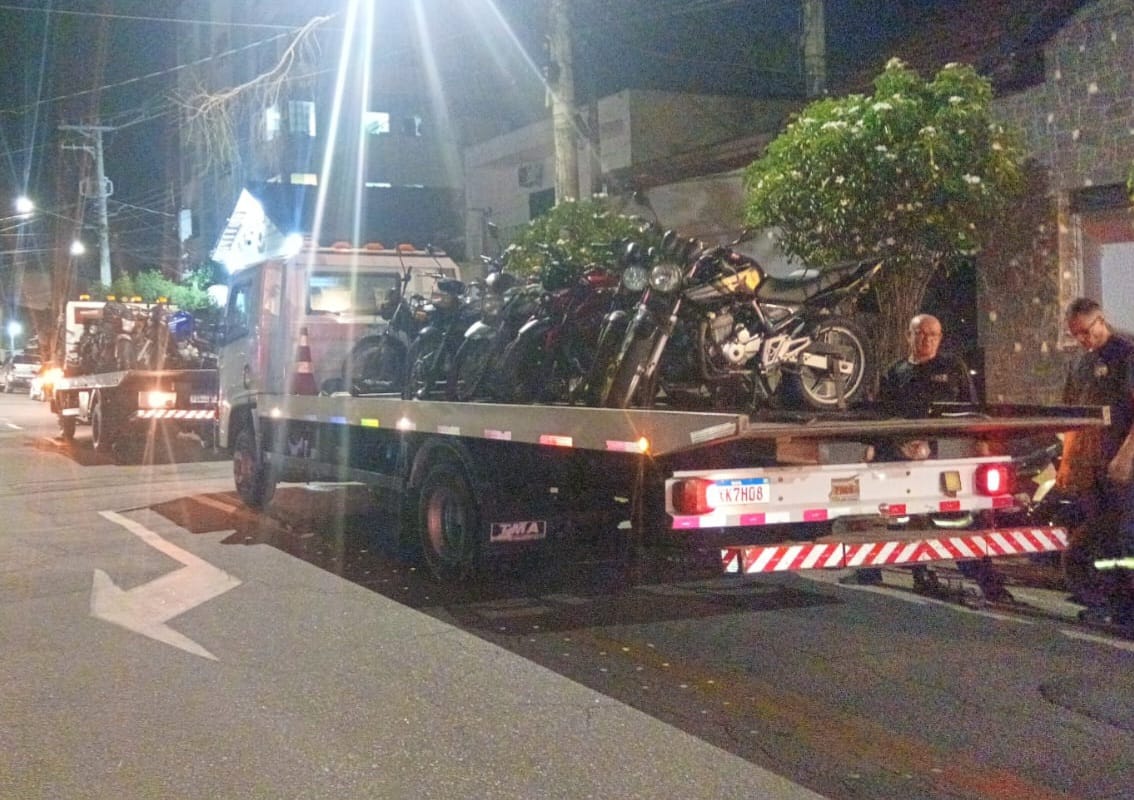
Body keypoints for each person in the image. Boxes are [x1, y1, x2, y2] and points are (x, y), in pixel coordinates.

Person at [851, 313, 1002, 595]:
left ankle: (990, 583)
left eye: (933, 335)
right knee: (898, 517)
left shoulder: (952, 368)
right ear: (909, 336)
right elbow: (883, 415)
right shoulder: (895, 372)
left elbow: (971, 410)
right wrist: (881, 446)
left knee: (963, 520)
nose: (927, 340)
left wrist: (980, 446)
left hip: (945, 458)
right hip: (902, 456)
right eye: (920, 333)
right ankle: (888, 571)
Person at [1057, 298, 1134, 626]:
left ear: (1101, 321)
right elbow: (1071, 417)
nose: (1082, 339)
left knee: (1127, 536)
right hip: (1092, 467)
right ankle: (1110, 604)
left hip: (1124, 466)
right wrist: (1068, 462)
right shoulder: (1080, 363)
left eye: (1086, 332)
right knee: (1100, 539)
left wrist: (1126, 455)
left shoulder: (1126, 353)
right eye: (1075, 334)